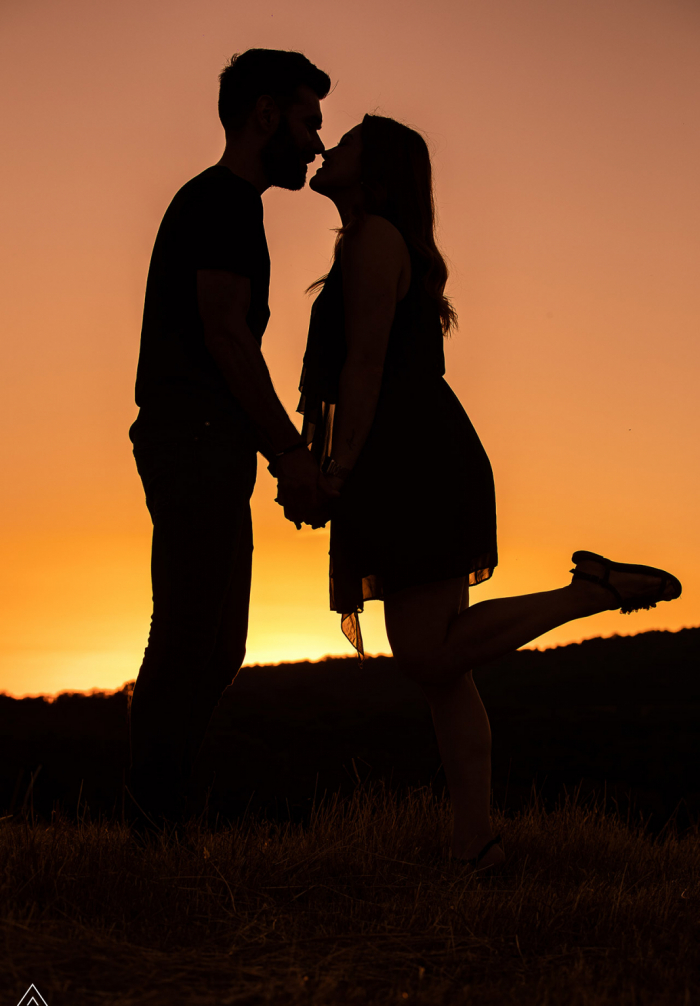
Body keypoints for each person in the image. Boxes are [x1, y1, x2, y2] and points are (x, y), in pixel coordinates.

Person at [282, 114, 683, 872]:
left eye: (351, 142)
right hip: (410, 452)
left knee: (429, 655)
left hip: (408, 458)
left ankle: (586, 593)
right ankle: (477, 844)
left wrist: (334, 472)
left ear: (379, 172)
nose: (330, 145)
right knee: (446, 669)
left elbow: (363, 369)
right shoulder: (370, 243)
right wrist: (320, 462)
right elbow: (345, 380)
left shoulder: (375, 241)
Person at [127, 49, 331, 825]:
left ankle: (163, 819)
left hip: (208, 440)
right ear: (266, 115)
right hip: (194, 436)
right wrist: (287, 449)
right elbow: (226, 337)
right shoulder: (222, 205)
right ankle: (155, 831)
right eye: (309, 121)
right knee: (188, 638)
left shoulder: (229, 206)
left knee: (216, 646)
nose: (317, 143)